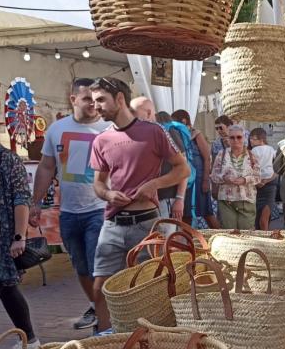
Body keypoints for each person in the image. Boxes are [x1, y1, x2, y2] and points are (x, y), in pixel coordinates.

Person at [89, 77, 190, 331]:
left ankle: (151, 339)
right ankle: (104, 339)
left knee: (149, 288)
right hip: (112, 224)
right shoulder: (101, 140)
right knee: (100, 288)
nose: (95, 106)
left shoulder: (153, 131)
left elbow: (183, 169)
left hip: (147, 224)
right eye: (93, 100)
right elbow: (98, 184)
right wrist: (108, 195)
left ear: (119, 99)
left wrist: (154, 184)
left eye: (101, 99)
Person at [29, 79, 110, 330]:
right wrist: (35, 202)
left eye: (96, 99)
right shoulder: (57, 129)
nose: (93, 104)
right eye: (87, 99)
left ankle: (105, 323)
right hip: (69, 212)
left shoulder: (109, 128)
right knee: (81, 267)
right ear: (73, 99)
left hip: (100, 209)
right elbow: (46, 166)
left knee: (98, 267)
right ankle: (97, 308)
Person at [0, 110, 39, 349]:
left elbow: (21, 198)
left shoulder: (7, 159)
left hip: (1, 232)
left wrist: (19, 236)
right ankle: (31, 340)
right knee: (6, 288)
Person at [130, 98, 186, 223]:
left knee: (166, 234)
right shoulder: (137, 134)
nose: (131, 117)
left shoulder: (167, 132)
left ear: (149, 113)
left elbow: (184, 168)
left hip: (165, 199)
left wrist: (179, 199)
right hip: (144, 202)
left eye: (134, 113)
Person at [171, 109, 220, 228]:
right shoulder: (178, 136)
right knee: (186, 215)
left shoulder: (196, 134)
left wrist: (205, 180)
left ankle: (221, 236)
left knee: (207, 214)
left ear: (184, 121)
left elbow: (207, 158)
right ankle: (188, 238)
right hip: (186, 181)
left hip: (198, 180)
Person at [210, 125, 260, 229]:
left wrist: (245, 180)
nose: (235, 140)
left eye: (239, 137)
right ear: (228, 138)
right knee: (229, 232)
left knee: (246, 233)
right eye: (232, 137)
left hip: (246, 200)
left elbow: (258, 177)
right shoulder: (221, 154)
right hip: (226, 201)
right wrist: (224, 178)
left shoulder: (252, 155)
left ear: (244, 138)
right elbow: (214, 175)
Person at [249, 128, 278, 230]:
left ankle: (260, 234)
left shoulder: (253, 151)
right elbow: (276, 165)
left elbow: (250, 168)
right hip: (270, 182)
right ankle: (265, 233)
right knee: (265, 214)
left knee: (257, 214)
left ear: (261, 140)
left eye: (253, 139)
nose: (251, 141)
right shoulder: (271, 149)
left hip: (257, 184)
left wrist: (258, 181)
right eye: (250, 139)